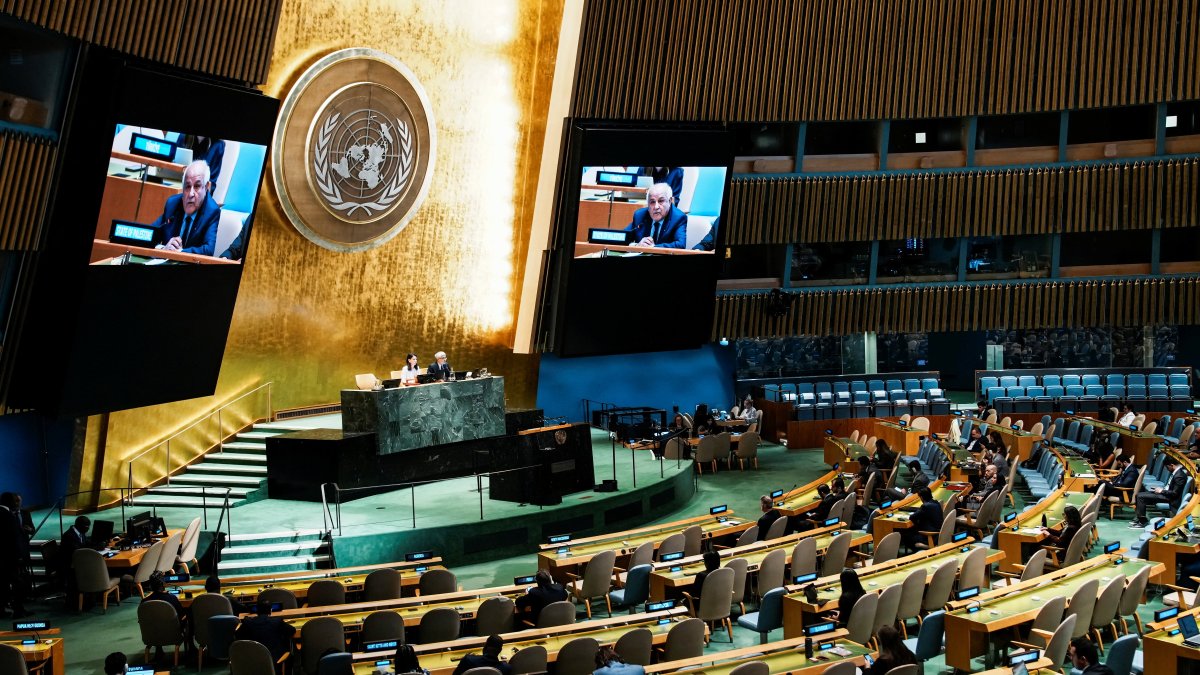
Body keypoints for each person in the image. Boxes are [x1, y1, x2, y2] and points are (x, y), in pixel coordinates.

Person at [150, 160, 221, 256]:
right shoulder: (173, 204)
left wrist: (180, 252)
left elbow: (208, 250)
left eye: (197, 186)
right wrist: (163, 249)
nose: (191, 194)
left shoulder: (212, 211)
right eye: (187, 187)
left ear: (206, 187)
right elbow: (149, 234)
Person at [235, 591, 296, 667]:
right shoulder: (277, 621)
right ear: (270, 610)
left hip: (252, 659)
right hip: (274, 661)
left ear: (257, 610)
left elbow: (237, 635)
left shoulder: (247, 622)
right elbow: (292, 631)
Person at [623, 183, 687, 249]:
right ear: (648, 204)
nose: (656, 207)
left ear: (670, 201)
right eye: (652, 202)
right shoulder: (640, 215)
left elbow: (681, 245)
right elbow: (622, 238)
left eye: (661, 201)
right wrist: (637, 245)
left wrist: (653, 248)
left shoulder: (678, 218)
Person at [1131, 457, 1187, 528]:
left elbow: (1175, 493)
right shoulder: (1176, 473)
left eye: (1167, 467)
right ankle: (1140, 518)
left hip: (1170, 498)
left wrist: (1162, 491)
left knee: (1140, 496)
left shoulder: (1179, 476)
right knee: (1139, 495)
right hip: (1166, 494)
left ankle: (1142, 522)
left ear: (1171, 465)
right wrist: (1161, 489)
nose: (1167, 469)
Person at [0, 492, 29, 618]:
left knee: (3, 584)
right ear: (9, 501)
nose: (17, 502)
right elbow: (13, 539)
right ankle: (18, 610)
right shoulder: (9, 516)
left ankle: (2, 610)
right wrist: (19, 555)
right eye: (14, 500)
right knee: (18, 583)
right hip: (10, 558)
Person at [59, 515, 91, 609]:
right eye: (86, 527)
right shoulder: (69, 536)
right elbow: (78, 550)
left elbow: (85, 543)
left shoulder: (79, 532)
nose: (88, 529)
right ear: (79, 525)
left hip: (78, 563)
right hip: (69, 566)